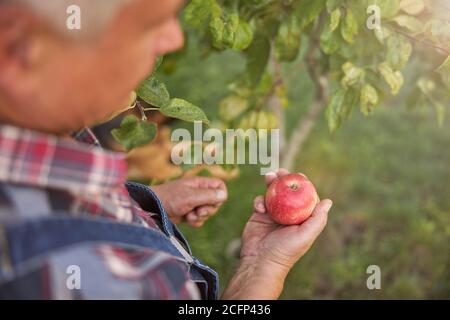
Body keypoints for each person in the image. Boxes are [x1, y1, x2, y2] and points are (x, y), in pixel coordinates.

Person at [0, 0, 332, 299]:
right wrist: (264, 268)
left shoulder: (52, 129)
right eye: (147, 25)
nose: (174, 39)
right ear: (17, 49)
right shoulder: (102, 283)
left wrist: (140, 206)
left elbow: (63, 202)